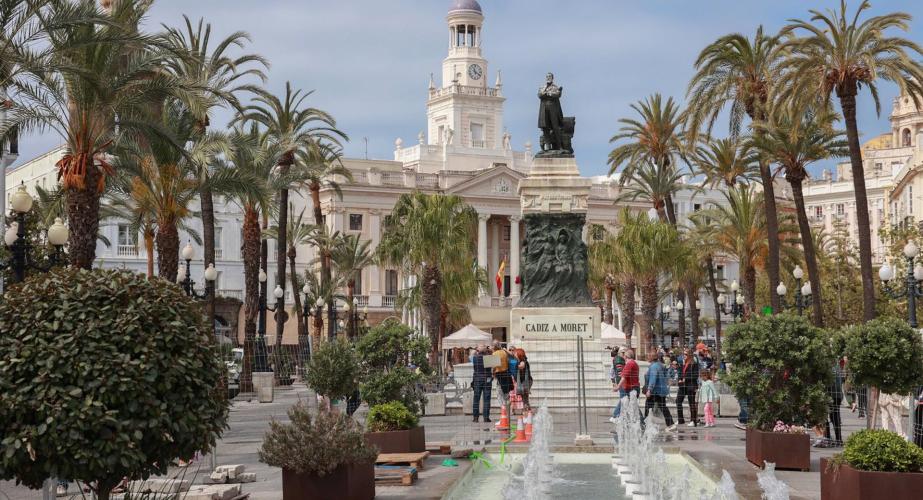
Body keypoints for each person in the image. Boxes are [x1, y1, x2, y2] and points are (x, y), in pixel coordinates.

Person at [644, 352, 676, 431]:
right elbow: (665, 376)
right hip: (661, 390)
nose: (647, 358)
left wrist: (649, 390)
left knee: (648, 407)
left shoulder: (654, 367)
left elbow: (653, 379)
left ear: (651, 358)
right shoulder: (660, 365)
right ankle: (671, 424)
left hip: (655, 391)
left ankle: (645, 424)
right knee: (663, 407)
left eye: (648, 356)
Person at [610, 349, 642, 423]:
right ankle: (641, 423)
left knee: (624, 402)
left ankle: (616, 416)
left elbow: (624, 377)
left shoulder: (629, 364)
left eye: (624, 355)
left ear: (626, 356)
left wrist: (617, 387)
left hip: (631, 388)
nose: (623, 357)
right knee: (633, 405)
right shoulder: (634, 363)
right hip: (632, 387)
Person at [676, 347, 700, 427]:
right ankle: (680, 420)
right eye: (683, 354)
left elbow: (695, 375)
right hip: (683, 386)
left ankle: (693, 421)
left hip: (690, 385)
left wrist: (685, 379)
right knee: (678, 401)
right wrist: (680, 379)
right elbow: (680, 372)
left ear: (689, 355)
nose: (684, 355)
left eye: (685, 354)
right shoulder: (683, 363)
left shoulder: (694, 363)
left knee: (691, 403)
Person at [824, 360, 844, 446]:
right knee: (834, 417)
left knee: (826, 417)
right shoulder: (836, 366)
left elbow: (831, 382)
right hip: (837, 395)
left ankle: (828, 438)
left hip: (831, 395)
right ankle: (838, 439)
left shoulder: (831, 368)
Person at [471, 345, 492, 422]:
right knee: (486, 398)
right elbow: (496, 363)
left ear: (478, 351)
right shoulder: (489, 357)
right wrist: (489, 351)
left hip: (477, 379)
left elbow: (472, 354)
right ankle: (486, 417)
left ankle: (475, 417)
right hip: (487, 379)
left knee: (476, 399)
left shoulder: (474, 358)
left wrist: (476, 349)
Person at [492, 340, 514, 413]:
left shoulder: (495, 353)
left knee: (499, 393)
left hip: (499, 375)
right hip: (507, 373)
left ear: (494, 347)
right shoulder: (504, 352)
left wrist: (492, 373)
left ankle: (504, 410)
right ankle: (508, 410)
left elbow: (494, 367)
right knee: (506, 393)